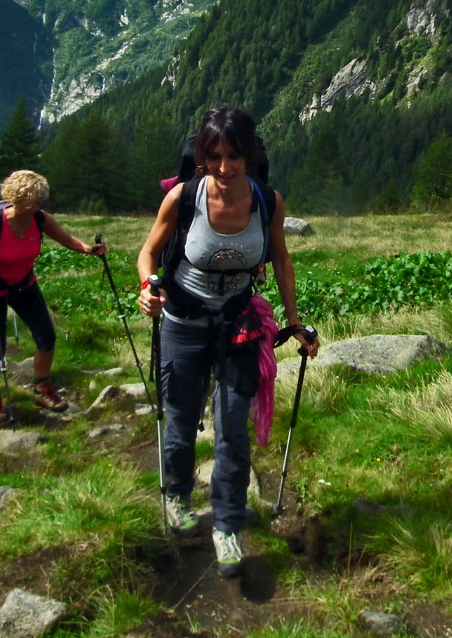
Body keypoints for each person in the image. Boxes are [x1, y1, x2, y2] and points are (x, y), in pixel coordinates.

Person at [137, 106, 318, 578]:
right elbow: (149, 251)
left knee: (232, 429)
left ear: (250, 156)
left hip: (239, 324)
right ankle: (177, 496)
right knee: (179, 419)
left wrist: (294, 322)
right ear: (201, 156)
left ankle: (228, 525)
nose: (224, 167)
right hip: (183, 321)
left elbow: (280, 259)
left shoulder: (266, 202)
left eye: (234, 156)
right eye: (213, 156)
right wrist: (147, 285)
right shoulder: (183, 197)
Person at [0, 170, 105, 423]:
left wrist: (89, 250)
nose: (39, 205)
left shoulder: (40, 219)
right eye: (35, 200)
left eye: (41, 200)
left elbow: (66, 239)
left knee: (46, 336)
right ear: (19, 199)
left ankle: (41, 388)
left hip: (24, 284)